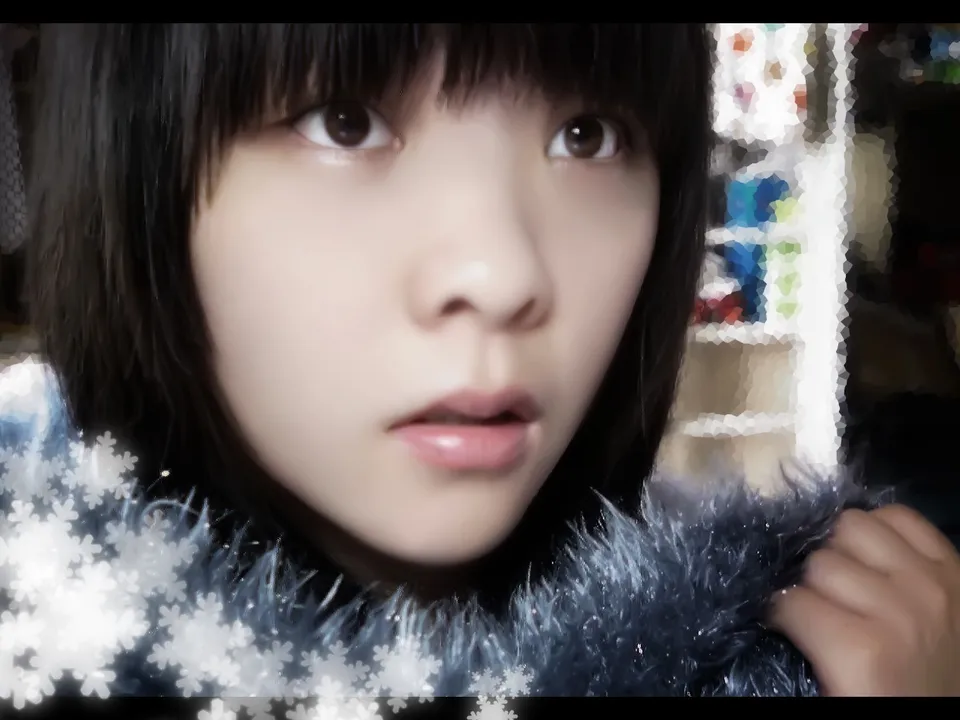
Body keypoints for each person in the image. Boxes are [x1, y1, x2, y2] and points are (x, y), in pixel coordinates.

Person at [1, 24, 959, 713]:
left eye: (588, 136)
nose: (504, 275)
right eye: (344, 122)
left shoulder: (818, 648)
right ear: (136, 167)